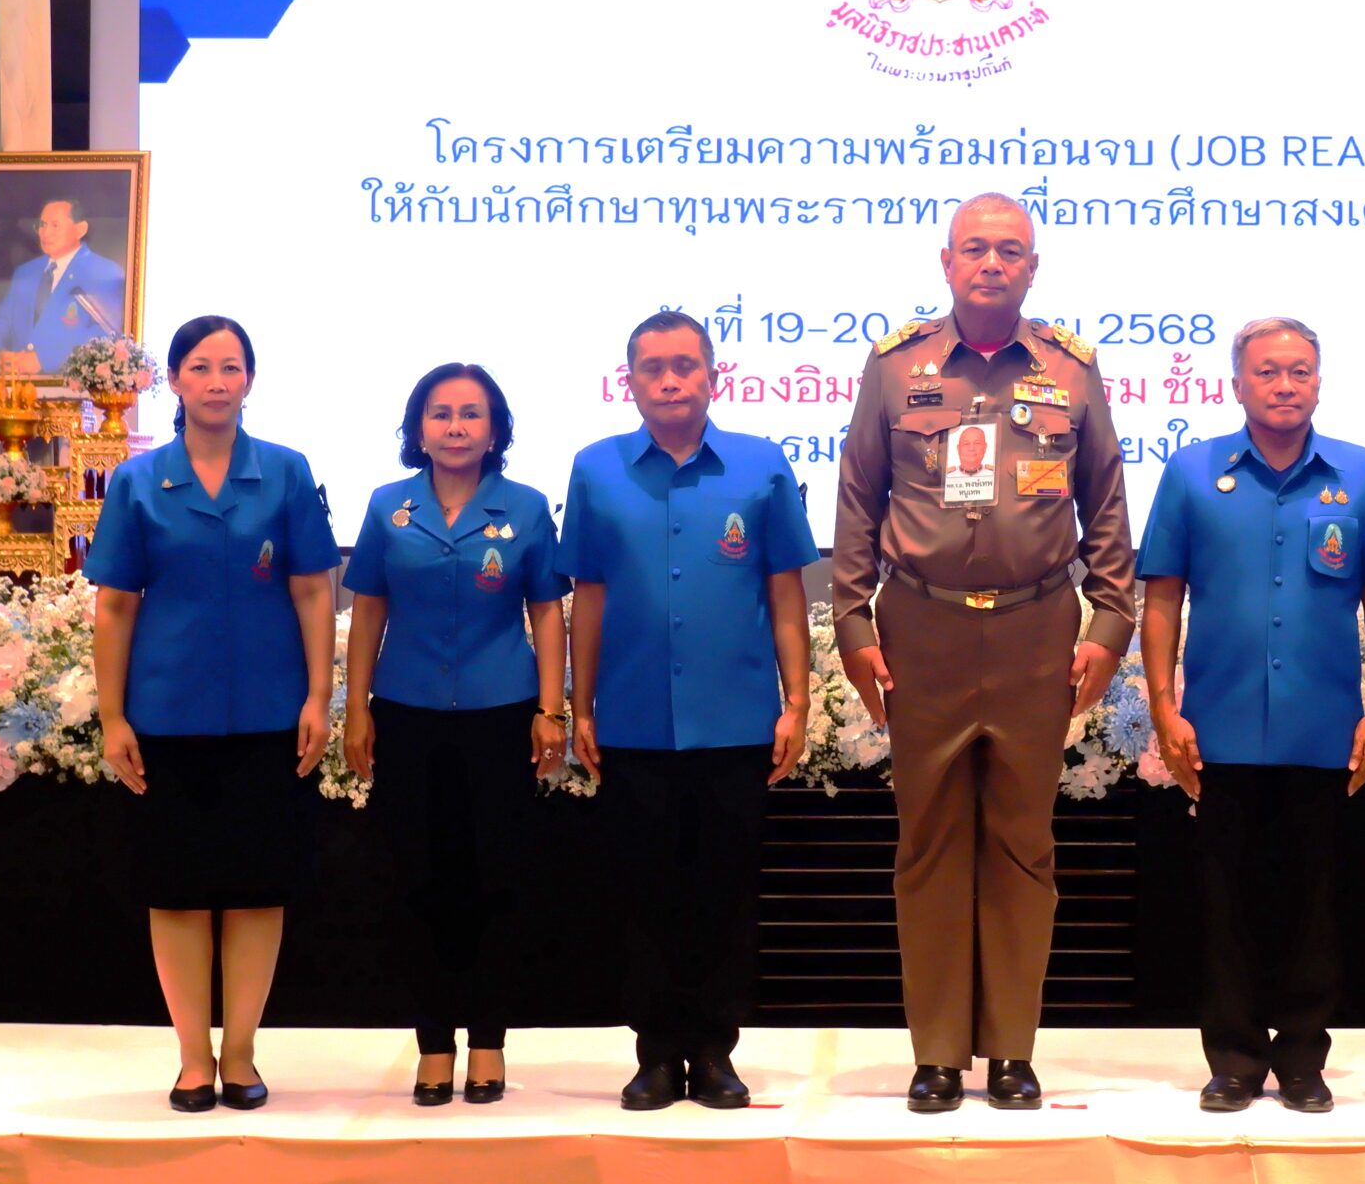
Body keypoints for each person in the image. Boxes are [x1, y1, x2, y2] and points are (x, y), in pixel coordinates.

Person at [833, 191, 1134, 1113]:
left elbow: (1106, 506)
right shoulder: (895, 366)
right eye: (975, 249)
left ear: (1033, 267)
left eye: (1009, 250)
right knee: (928, 843)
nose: (992, 263)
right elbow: (857, 501)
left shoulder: (1071, 370)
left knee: (1022, 845)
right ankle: (936, 1052)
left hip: (1034, 631)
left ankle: (1009, 1048)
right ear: (947, 262)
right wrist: (852, 624)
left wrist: (1108, 624)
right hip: (920, 629)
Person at [1138, 317, 1365, 1113]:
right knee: (1223, 903)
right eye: (1267, 371)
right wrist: (1164, 707)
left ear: (1319, 381)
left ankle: (1301, 1058)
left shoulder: (1360, 473)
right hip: (1217, 726)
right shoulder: (1191, 472)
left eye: (1299, 370)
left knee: (1313, 903)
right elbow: (1162, 599)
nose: (1284, 384)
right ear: (1237, 384)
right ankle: (1232, 1058)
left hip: (1322, 727)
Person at [562, 311, 815, 1111]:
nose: (670, 380)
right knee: (645, 893)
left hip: (734, 719)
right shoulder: (596, 469)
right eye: (653, 367)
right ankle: (655, 1054)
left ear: (713, 374)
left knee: (723, 892)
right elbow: (589, 595)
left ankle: (713, 1050)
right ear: (629, 380)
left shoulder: (761, 465)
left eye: (684, 365)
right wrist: (580, 703)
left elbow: (784, 593)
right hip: (633, 717)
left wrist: (797, 700)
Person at [87, 315, 339, 1113]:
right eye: (200, 366)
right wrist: (112, 716)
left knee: (259, 888)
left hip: (270, 716)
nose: (217, 381)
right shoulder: (138, 481)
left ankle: (241, 1052)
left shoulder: (287, 472)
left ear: (250, 380)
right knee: (178, 890)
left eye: (231, 366)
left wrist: (319, 695)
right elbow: (115, 606)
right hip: (167, 716)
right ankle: (194, 1057)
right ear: (175, 380)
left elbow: (313, 589)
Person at [341, 364, 569, 1107]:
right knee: (418, 878)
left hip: (501, 712)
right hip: (406, 712)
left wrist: (551, 709)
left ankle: (490, 1041)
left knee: (495, 876)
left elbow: (547, 611)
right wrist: (356, 707)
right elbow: (368, 609)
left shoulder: (526, 507)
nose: (456, 426)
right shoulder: (389, 506)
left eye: (472, 414)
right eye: (441, 414)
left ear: (495, 429)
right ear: (418, 429)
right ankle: (434, 1042)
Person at [0, 197, 132, 365]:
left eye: (55, 225)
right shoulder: (26, 272)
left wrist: (43, 359)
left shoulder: (105, 273)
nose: (45, 233)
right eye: (42, 225)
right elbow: (1, 320)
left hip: (67, 380)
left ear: (80, 229)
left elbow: (106, 332)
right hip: (15, 378)